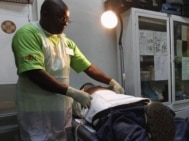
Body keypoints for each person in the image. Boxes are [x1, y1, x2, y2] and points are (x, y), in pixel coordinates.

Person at [11, 0, 124, 140]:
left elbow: (87, 67)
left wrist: (111, 81)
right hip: (35, 110)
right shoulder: (28, 34)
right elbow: (35, 73)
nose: (65, 23)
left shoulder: (66, 42)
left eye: (67, 19)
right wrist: (73, 92)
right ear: (45, 14)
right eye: (61, 17)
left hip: (61, 110)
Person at [74, 83, 189, 141]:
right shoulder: (86, 97)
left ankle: (152, 138)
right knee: (186, 126)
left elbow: (76, 116)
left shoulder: (84, 98)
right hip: (142, 107)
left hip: (116, 113)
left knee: (131, 133)